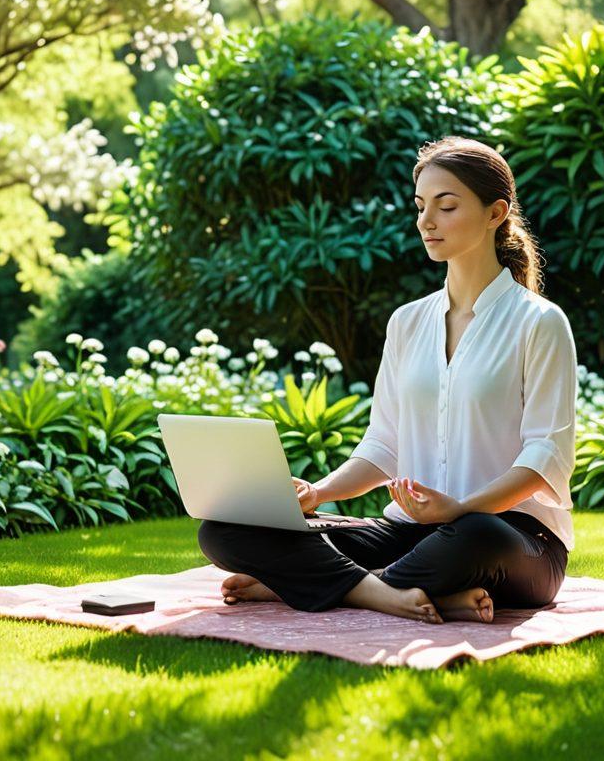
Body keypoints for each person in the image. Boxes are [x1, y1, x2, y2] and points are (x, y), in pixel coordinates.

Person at [197, 136, 577, 624]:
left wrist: (458, 509)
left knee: (476, 536)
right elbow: (384, 445)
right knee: (225, 530)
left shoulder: (539, 322)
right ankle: (395, 592)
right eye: (420, 206)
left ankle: (318, 584)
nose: (426, 221)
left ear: (495, 213)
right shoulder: (407, 322)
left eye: (446, 206)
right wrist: (318, 493)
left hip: (512, 540)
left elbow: (544, 458)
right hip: (410, 535)